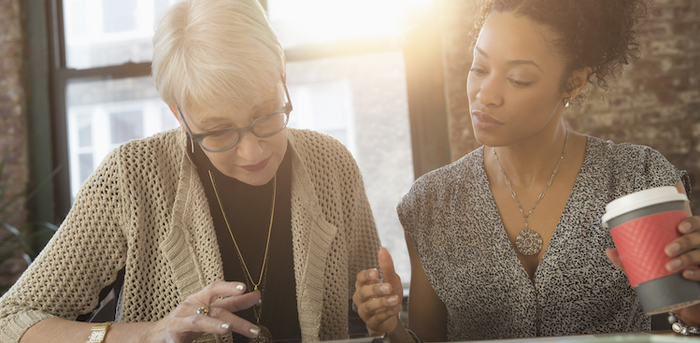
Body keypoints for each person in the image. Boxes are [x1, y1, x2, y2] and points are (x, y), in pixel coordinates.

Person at [0, 0, 381, 342]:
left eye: (266, 115)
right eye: (218, 131)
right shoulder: (131, 178)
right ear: (178, 115)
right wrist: (152, 333)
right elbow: (10, 321)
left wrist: (379, 308)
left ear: (283, 77)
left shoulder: (332, 165)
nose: (252, 151)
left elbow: (367, 314)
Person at [353, 0, 700, 341]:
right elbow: (428, 339)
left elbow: (678, 325)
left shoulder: (639, 179)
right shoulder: (430, 202)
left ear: (574, 83)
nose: (485, 94)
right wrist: (390, 328)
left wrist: (693, 313)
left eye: (518, 79)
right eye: (479, 68)